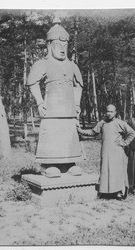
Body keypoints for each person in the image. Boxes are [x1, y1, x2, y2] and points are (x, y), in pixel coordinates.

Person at [27, 17, 83, 177]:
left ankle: (70, 163)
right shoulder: (43, 64)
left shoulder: (72, 65)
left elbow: (79, 84)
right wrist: (39, 102)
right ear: (49, 45)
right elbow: (32, 82)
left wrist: (77, 104)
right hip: (51, 108)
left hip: (69, 108)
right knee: (52, 133)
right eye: (58, 45)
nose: (62, 49)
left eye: (65, 45)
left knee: (68, 133)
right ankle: (49, 165)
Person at [77, 104, 135, 200]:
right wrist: (80, 131)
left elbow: (132, 133)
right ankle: (106, 191)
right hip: (105, 151)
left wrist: (124, 142)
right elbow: (93, 132)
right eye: (108, 111)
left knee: (116, 171)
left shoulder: (119, 123)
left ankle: (119, 192)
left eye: (112, 112)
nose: (109, 113)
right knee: (105, 170)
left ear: (115, 112)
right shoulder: (102, 123)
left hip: (116, 152)